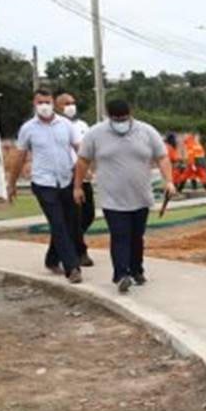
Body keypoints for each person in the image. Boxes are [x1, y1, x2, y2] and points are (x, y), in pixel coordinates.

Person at [74, 99, 176, 293]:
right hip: (112, 197)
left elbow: (162, 157)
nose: (120, 122)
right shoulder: (95, 133)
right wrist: (77, 187)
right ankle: (121, 275)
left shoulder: (147, 132)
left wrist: (169, 181)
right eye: (116, 119)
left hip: (140, 196)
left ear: (131, 114)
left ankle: (136, 269)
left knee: (136, 236)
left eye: (123, 119)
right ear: (108, 116)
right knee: (120, 234)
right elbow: (83, 161)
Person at [9, 88, 82, 284]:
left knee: (68, 224)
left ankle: (52, 259)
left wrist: (83, 175)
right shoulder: (28, 128)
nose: (44, 106)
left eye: (47, 102)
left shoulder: (65, 125)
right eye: (40, 102)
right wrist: (12, 183)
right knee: (57, 223)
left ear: (53, 103)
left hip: (66, 180)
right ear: (34, 104)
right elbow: (20, 157)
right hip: (43, 183)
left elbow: (79, 149)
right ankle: (72, 268)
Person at [55, 92, 95, 266]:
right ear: (57, 106)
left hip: (84, 176)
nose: (71, 106)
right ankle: (79, 251)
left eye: (73, 102)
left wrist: (90, 168)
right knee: (74, 216)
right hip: (68, 177)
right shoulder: (55, 126)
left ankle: (63, 244)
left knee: (88, 214)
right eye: (66, 103)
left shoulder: (82, 125)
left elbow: (89, 149)